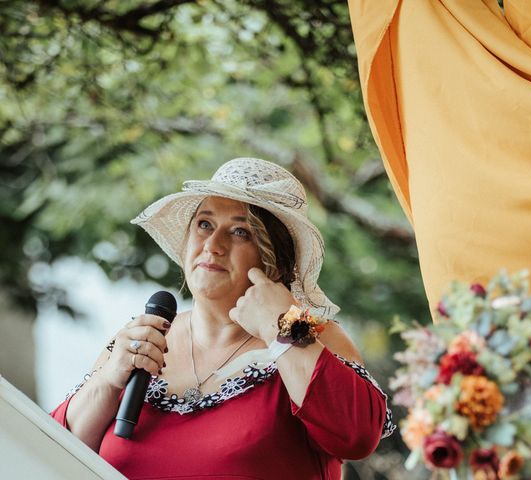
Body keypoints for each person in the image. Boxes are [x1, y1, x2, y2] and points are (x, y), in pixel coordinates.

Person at [51, 157, 394, 480]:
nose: (212, 244)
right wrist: (110, 380)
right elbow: (49, 452)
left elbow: (358, 435)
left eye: (240, 231)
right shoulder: (140, 339)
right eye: (204, 224)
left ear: (275, 259)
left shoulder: (313, 333)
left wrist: (283, 323)